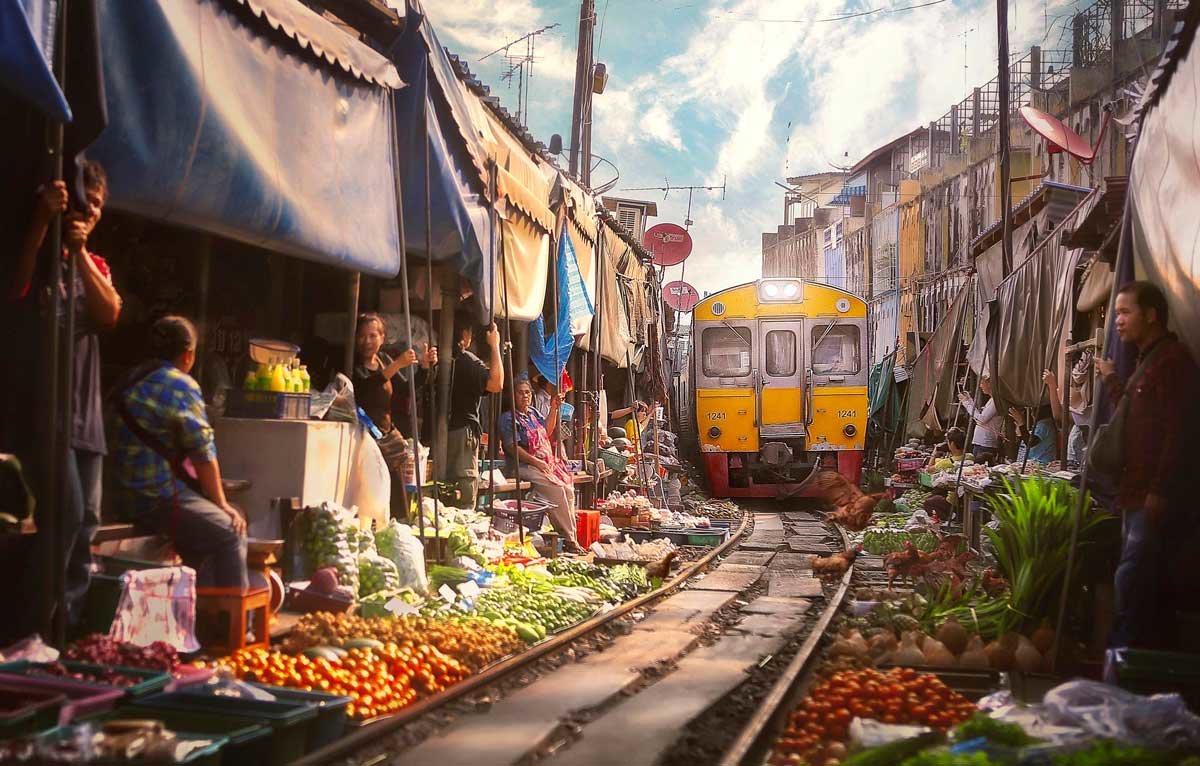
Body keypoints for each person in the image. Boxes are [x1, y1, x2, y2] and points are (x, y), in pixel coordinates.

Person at [11, 164, 122, 625]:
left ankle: (68, 631)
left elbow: (110, 312)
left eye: (97, 203)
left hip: (87, 422)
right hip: (46, 414)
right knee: (67, 515)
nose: (89, 210)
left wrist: (79, 253)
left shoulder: (94, 265)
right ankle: (29, 628)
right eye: (83, 202)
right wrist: (41, 221)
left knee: (85, 526)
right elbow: (14, 286)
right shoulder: (39, 255)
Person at [1097, 281, 1199, 649]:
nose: (1118, 321)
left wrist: (1160, 489)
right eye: (1117, 313)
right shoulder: (1147, 362)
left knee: (1133, 578)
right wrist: (1110, 378)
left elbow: (1180, 431)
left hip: (1151, 498)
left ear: (1151, 315)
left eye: (1125, 312)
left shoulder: (1173, 362)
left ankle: (1125, 661)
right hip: (1134, 493)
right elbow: (1129, 413)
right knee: (1135, 578)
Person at [112, 316, 247, 588]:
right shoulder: (181, 384)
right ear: (188, 355)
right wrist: (221, 503)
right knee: (231, 531)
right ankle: (231, 627)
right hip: (155, 499)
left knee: (209, 531)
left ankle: (198, 613)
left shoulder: (128, 380)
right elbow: (203, 454)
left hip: (120, 496)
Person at [352, 313, 437, 515]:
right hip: (362, 438)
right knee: (368, 493)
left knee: (395, 496)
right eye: (362, 336)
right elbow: (366, 387)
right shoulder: (353, 363)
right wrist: (397, 364)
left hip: (386, 437)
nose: (367, 341)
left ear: (382, 338)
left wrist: (424, 367)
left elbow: (406, 389)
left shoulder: (383, 360)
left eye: (373, 336)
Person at [498, 373, 583, 553]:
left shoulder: (533, 413)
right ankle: (569, 539)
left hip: (543, 464)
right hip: (523, 467)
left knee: (568, 489)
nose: (525, 396)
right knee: (557, 490)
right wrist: (537, 462)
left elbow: (547, 430)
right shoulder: (508, 418)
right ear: (512, 396)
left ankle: (570, 536)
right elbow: (512, 447)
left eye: (528, 392)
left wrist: (553, 408)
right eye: (520, 393)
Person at [447, 317, 504, 509]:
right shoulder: (465, 360)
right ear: (465, 335)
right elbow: (496, 383)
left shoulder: (436, 355)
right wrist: (495, 346)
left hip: (438, 434)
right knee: (464, 494)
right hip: (461, 434)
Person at [958, 374, 1003, 465]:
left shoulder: (995, 402)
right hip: (981, 443)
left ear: (990, 384)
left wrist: (966, 403)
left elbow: (981, 419)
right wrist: (969, 400)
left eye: (982, 383)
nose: (980, 386)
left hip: (986, 444)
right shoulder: (991, 400)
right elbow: (979, 416)